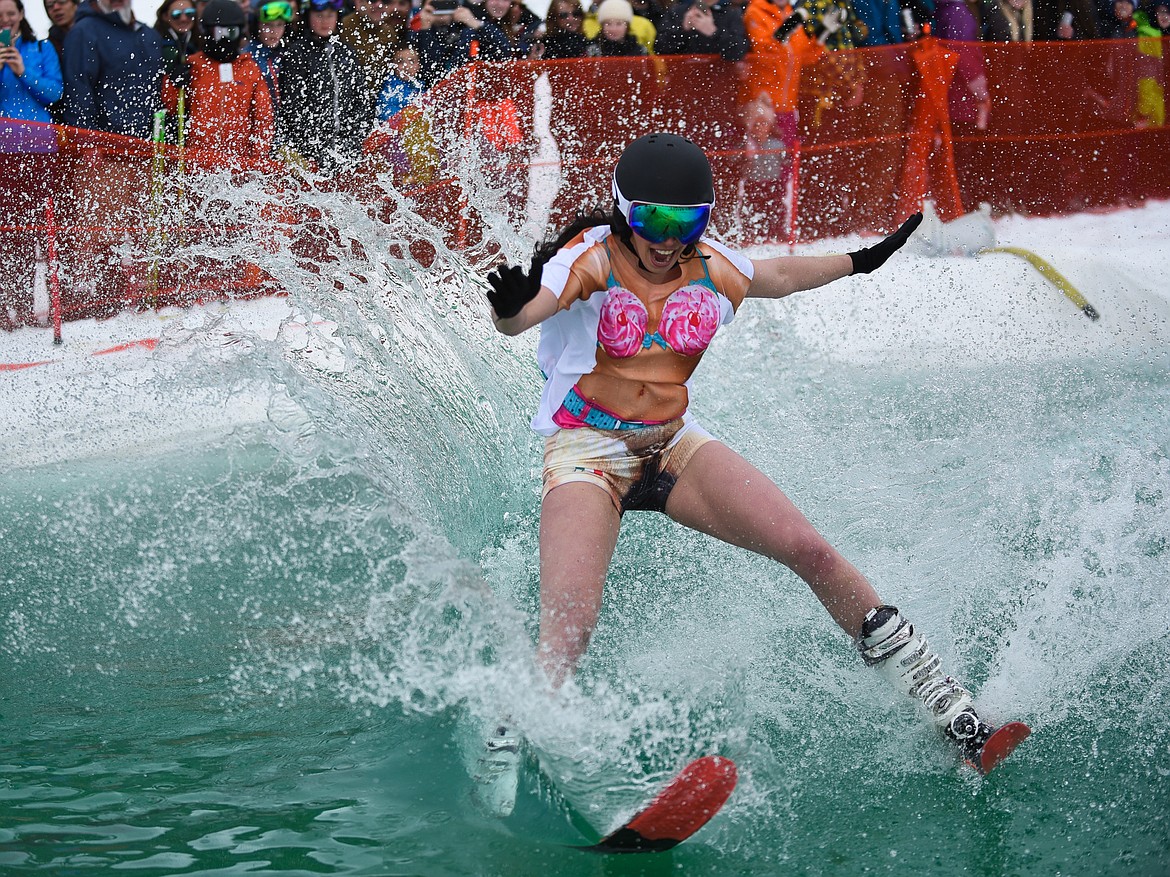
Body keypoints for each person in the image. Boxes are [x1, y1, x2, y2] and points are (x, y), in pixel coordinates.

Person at [483, 132, 1016, 804]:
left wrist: (861, 260)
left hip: (672, 443)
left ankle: (951, 712)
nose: (667, 239)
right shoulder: (587, 258)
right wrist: (509, 311)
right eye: (653, 220)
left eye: (688, 223)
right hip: (586, 452)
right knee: (570, 625)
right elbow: (530, 308)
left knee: (810, 548)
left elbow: (779, 276)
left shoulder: (709, 265)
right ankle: (506, 747)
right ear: (624, 211)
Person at [0, 0, 62, 330]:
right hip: (4, 155)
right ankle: (12, 307)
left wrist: (23, 71)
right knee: (9, 235)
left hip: (40, 152)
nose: (5, 20)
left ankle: (52, 306)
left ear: (21, 15)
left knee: (43, 228)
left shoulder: (41, 47)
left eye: (10, 13)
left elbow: (54, 92)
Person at [162, 0, 274, 161]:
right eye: (219, 33)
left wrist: (257, 159)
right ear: (207, 32)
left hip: (238, 163)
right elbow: (173, 108)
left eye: (231, 32)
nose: (224, 39)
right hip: (198, 160)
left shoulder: (249, 69)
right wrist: (172, 81)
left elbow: (263, 119)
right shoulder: (194, 65)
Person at [277, 0, 366, 171]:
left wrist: (354, 139)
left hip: (346, 149)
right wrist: (313, 147)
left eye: (330, 16)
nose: (325, 21)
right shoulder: (296, 54)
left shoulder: (346, 52)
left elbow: (361, 100)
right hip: (309, 153)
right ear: (308, 17)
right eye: (319, 15)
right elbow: (293, 107)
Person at [60, 0, 165, 138]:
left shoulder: (149, 35)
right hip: (108, 143)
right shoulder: (84, 32)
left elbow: (159, 89)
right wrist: (88, 143)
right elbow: (77, 94)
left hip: (152, 141)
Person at [337, 0, 413, 134]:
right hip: (345, 111)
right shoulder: (342, 28)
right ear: (359, 2)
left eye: (385, 1)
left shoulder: (390, 33)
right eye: (372, 0)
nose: (378, 5)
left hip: (377, 111)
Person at [413, 0, 512, 87]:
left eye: (446, 3)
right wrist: (425, 30)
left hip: (469, 88)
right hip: (435, 91)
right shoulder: (417, 32)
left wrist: (476, 24)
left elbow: (504, 51)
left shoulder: (467, 26)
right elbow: (429, 71)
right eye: (436, 3)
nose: (441, 8)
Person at [653, 0, 749, 61]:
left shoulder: (731, 14)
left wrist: (713, 32)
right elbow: (660, 49)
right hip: (682, 82)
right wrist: (683, 29)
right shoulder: (678, 11)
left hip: (720, 83)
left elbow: (739, 52)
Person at [244, 0, 293, 115]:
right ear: (256, 26)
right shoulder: (248, 58)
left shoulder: (287, 55)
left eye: (279, 24)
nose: (274, 31)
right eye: (268, 25)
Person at [583, 0, 655, 50]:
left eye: (619, 24)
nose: (613, 29)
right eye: (608, 24)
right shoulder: (593, 49)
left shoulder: (639, 49)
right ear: (602, 26)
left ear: (627, 26)